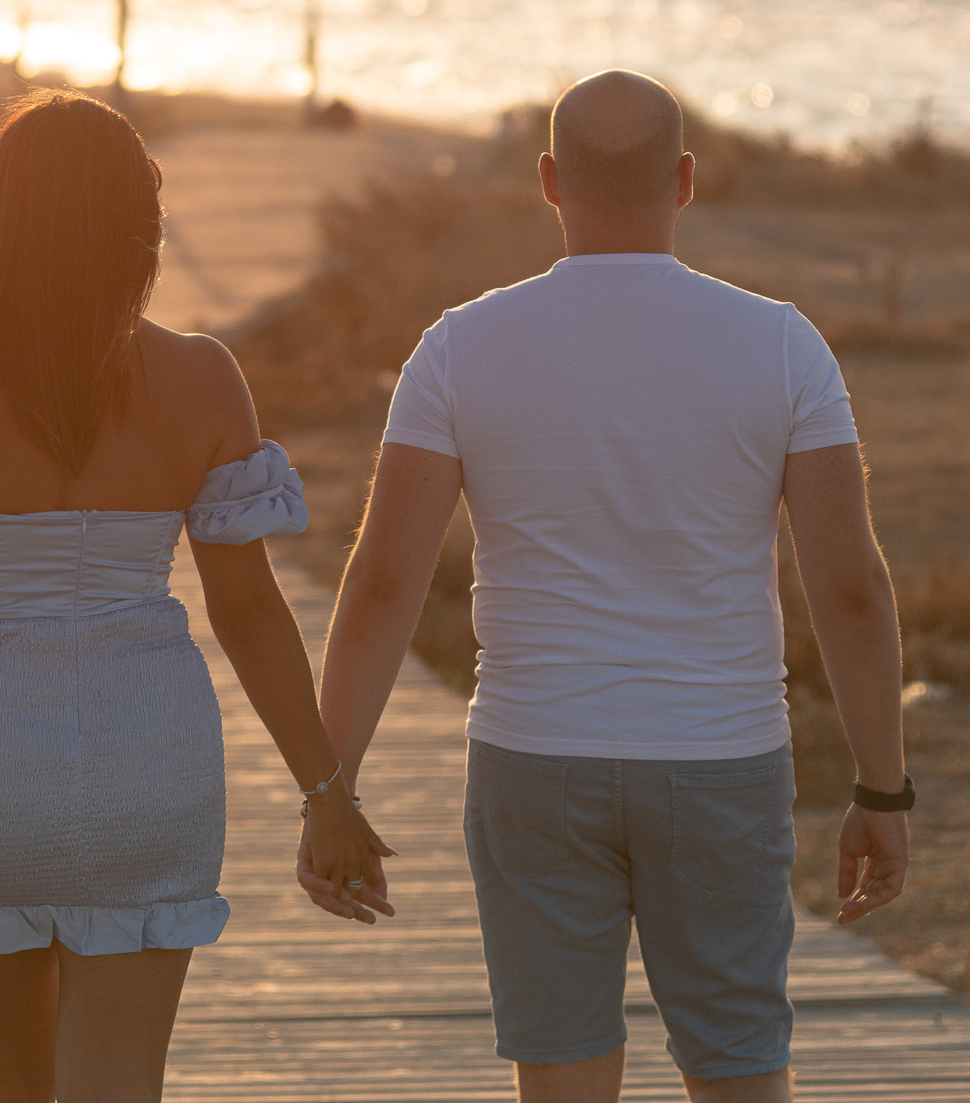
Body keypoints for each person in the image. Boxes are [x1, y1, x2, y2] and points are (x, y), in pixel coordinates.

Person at [302, 70, 910, 1103]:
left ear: (549, 180)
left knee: (563, 1074)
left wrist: (331, 789)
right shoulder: (782, 345)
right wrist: (880, 786)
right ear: (683, 179)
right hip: (720, 759)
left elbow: (380, 584)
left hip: (535, 760)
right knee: (738, 1064)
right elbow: (846, 587)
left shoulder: (456, 345)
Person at [0, 90, 388, 1103]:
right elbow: (247, 609)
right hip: (142, 751)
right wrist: (326, 792)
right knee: (120, 1079)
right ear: (139, 226)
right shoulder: (202, 377)